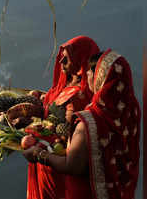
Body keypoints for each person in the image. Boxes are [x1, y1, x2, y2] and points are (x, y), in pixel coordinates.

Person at [23, 49, 141, 199]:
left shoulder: (90, 120)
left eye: (92, 72)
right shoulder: (131, 110)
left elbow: (73, 166)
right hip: (120, 190)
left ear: (101, 78)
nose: (87, 75)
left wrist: (38, 154)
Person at [25, 36, 100, 199]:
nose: (61, 62)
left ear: (81, 60)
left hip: (56, 167)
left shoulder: (79, 97)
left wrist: (35, 139)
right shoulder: (65, 83)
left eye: (67, 58)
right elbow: (52, 108)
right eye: (62, 56)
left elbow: (66, 136)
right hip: (43, 158)